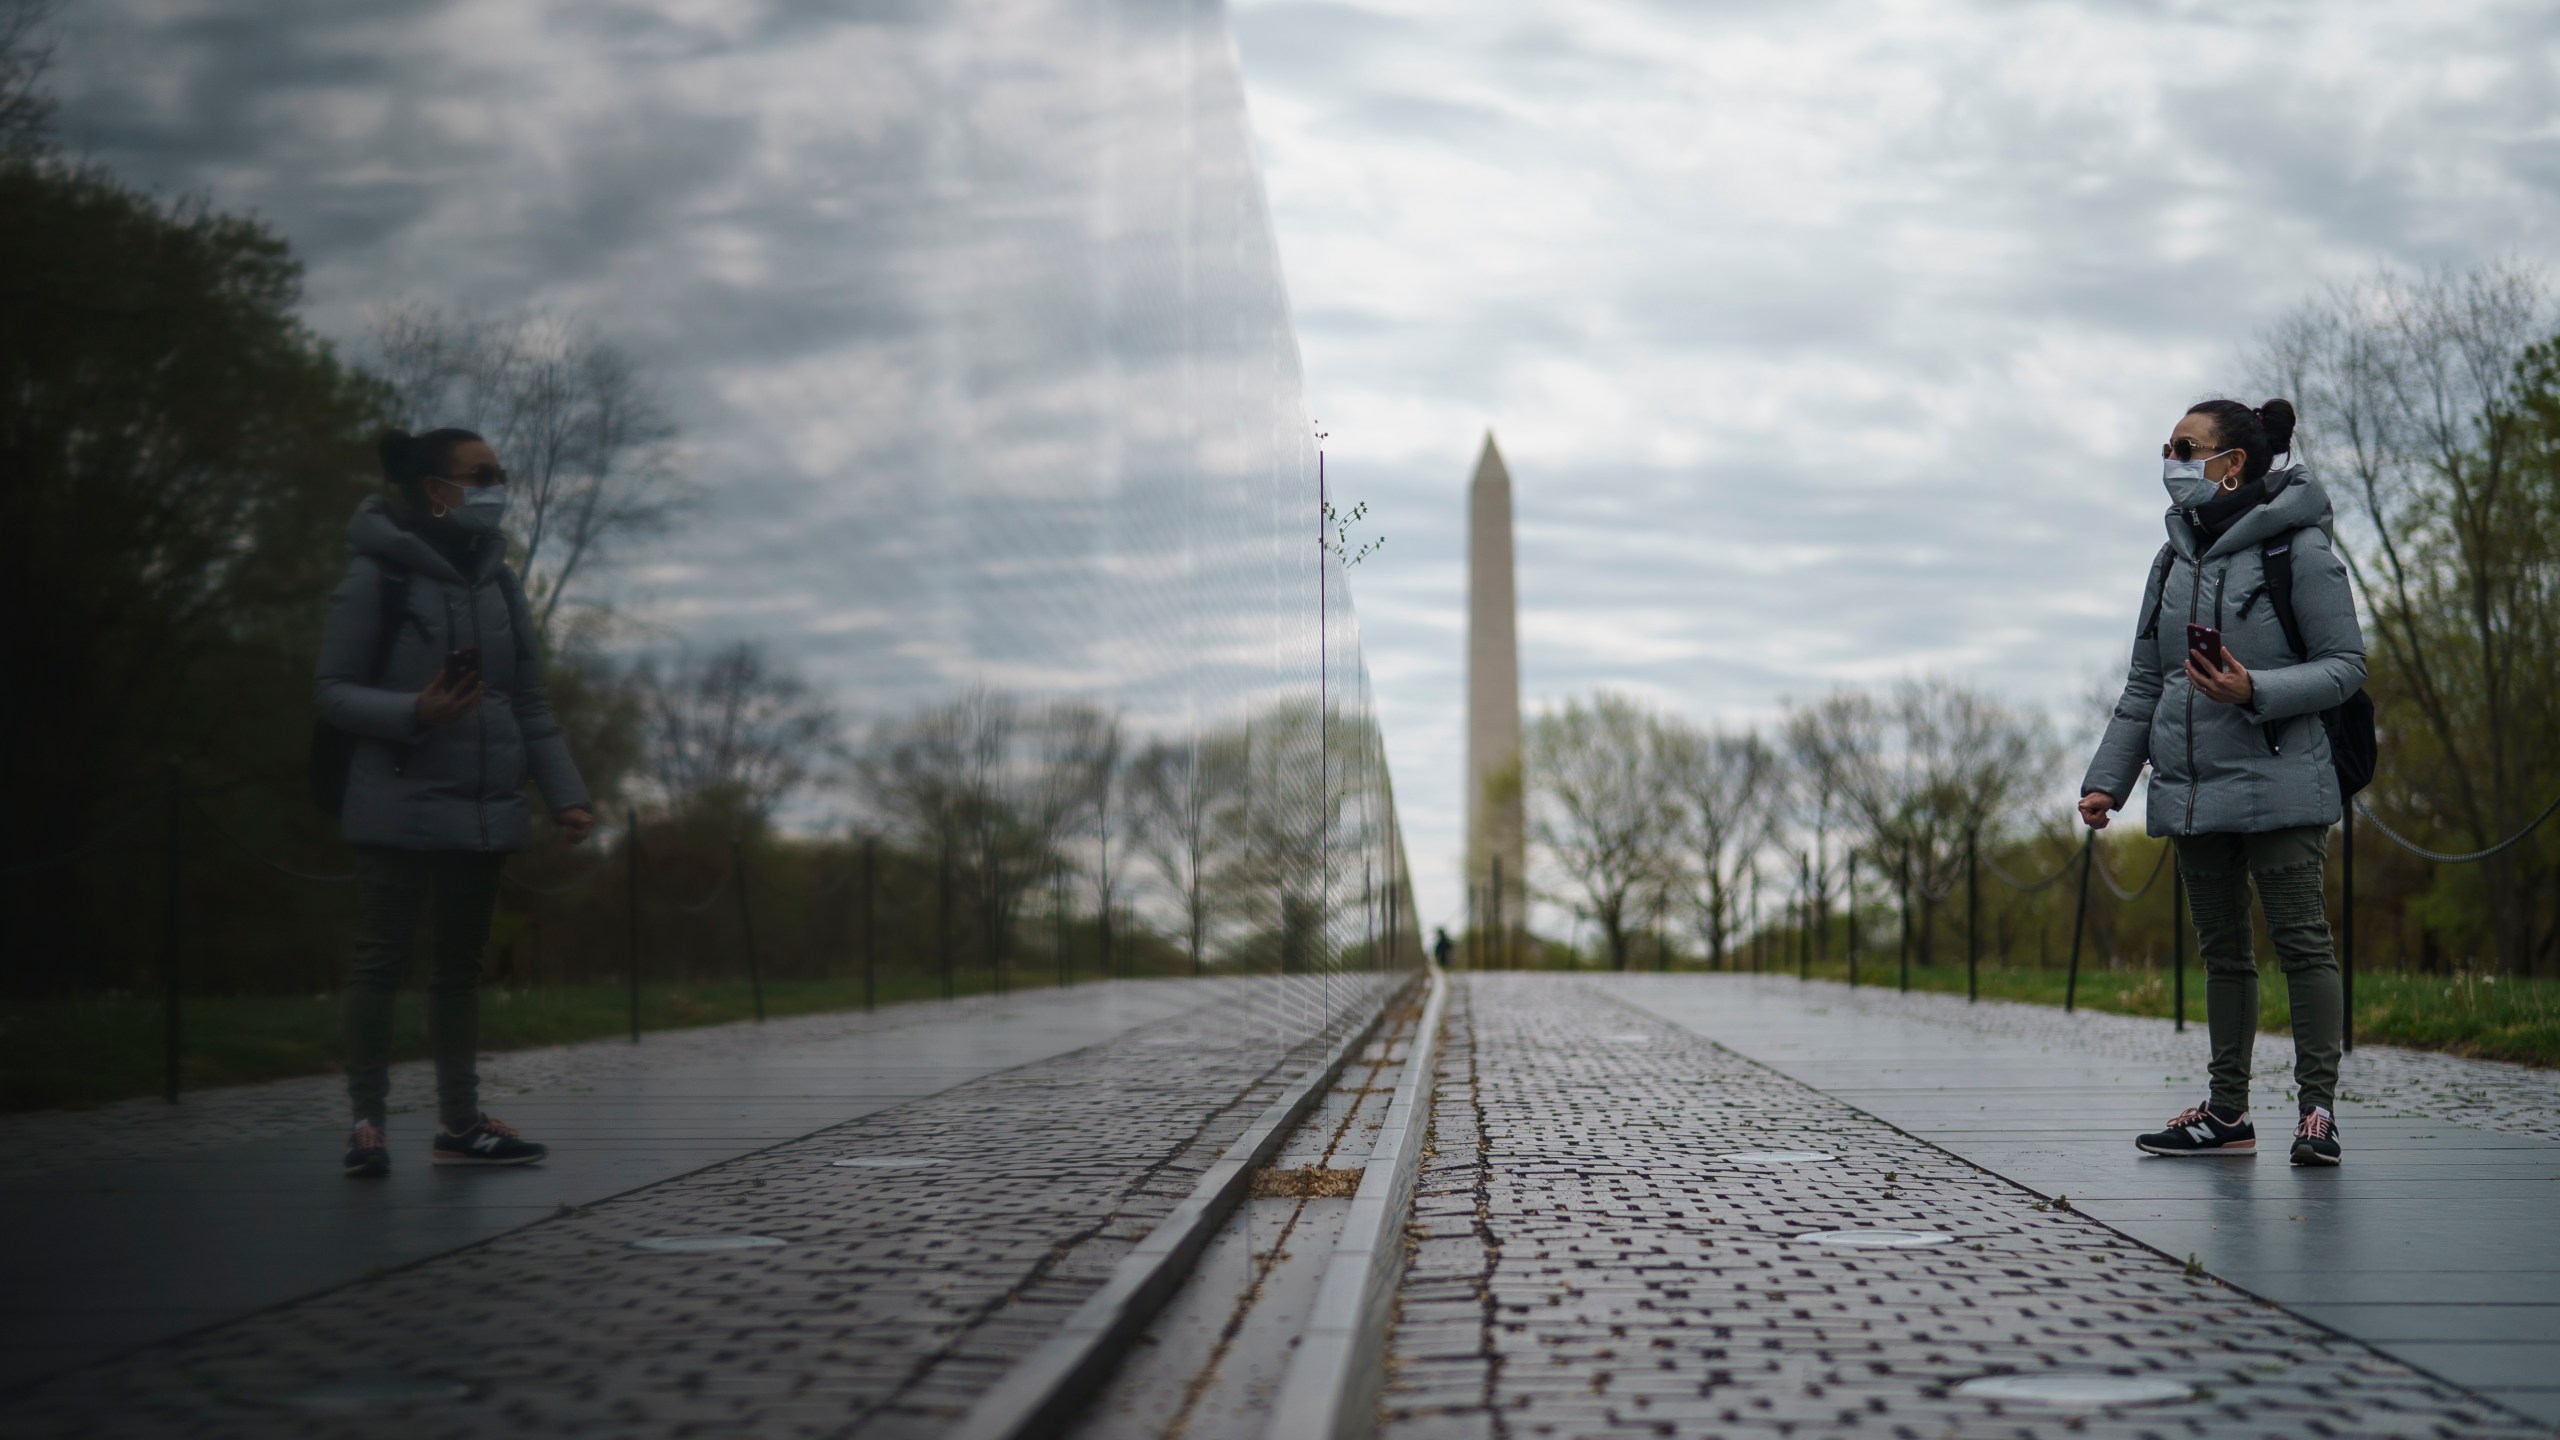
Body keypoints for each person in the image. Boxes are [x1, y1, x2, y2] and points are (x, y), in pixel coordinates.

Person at [2080, 398, 2363, 1166]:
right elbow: (2147, 682)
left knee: (2303, 945)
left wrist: (2255, 692)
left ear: (2232, 463)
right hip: (2193, 786)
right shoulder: (2171, 560)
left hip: (2282, 780)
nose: (2171, 461)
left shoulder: (2298, 551)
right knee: (2223, 955)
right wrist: (2110, 780)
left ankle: (2318, 1113)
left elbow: (2346, 669)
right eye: (2166, 447)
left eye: (2185, 447)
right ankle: (2227, 1113)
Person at [316, 428, 595, 1177]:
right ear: (437, 490)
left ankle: (461, 1124)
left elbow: (528, 701)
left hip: (485, 805)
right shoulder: (380, 577)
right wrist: (416, 712)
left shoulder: (500, 583)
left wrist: (567, 796)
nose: (500, 485)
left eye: (502, 473)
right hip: (397, 797)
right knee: (381, 962)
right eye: (484, 475)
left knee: (459, 971)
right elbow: (333, 694)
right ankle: (366, 1125)